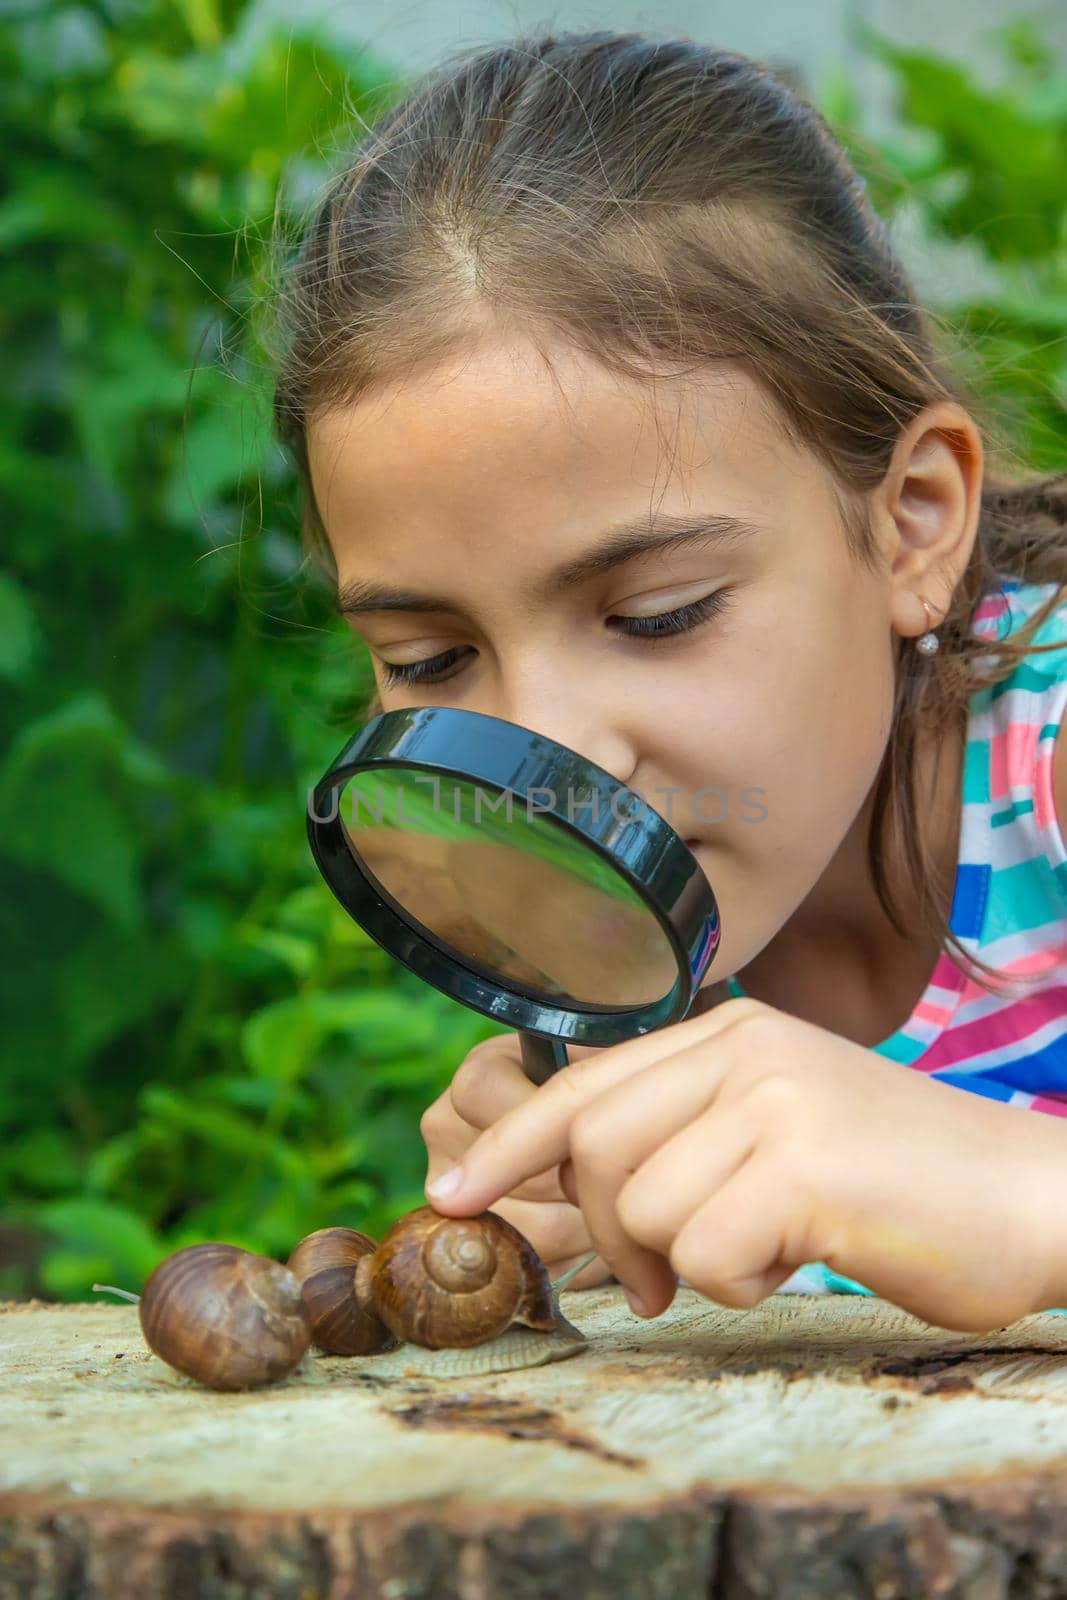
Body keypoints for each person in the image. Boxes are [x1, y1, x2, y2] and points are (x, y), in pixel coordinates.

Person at [271, 32, 1067, 1331]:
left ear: (914, 524)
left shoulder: (1050, 759)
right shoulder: (629, 975)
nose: (551, 754)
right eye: (429, 659)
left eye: (656, 616)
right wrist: (589, 1229)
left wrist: (1031, 1198)